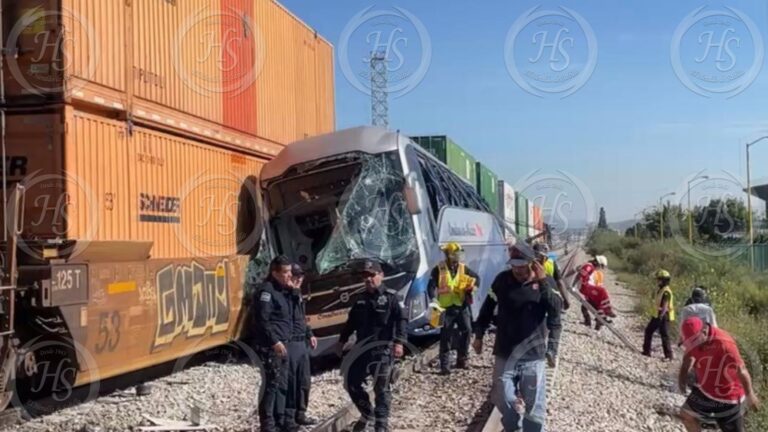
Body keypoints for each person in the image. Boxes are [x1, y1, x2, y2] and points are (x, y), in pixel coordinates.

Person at [473, 244, 562, 432]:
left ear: (533, 264)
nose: (517, 270)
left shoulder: (546, 283)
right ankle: (513, 426)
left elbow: (556, 312)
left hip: (533, 355)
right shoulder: (501, 281)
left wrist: (544, 282)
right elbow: (487, 308)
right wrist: (479, 334)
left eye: (522, 266)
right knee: (501, 396)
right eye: (514, 266)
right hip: (505, 352)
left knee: (534, 406)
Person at [336, 259, 407, 432]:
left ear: (381, 276)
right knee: (351, 383)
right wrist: (341, 340)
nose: (368, 279)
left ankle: (381, 425)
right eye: (365, 276)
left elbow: (402, 320)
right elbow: (350, 323)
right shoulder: (360, 300)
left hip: (382, 350)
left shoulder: (391, 297)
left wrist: (399, 342)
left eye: (372, 275)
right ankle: (368, 414)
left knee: (381, 389)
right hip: (362, 351)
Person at [678, 317, 761, 432]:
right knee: (686, 414)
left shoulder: (724, 343)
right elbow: (688, 357)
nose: (692, 346)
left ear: (704, 332)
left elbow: (741, 370)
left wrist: (750, 395)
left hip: (728, 397)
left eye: (694, 342)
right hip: (705, 390)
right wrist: (681, 379)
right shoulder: (693, 339)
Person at [253, 256, 296, 432]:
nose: (289, 276)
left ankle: (281, 420)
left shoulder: (283, 291)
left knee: (282, 384)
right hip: (271, 347)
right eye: (285, 272)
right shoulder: (267, 291)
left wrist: (294, 293)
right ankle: (268, 425)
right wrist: (275, 341)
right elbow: (263, 320)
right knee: (271, 385)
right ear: (275, 273)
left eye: (290, 272)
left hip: (284, 344)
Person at [427, 242, 478, 375]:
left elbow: (476, 278)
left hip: (462, 305)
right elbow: (431, 286)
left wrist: (472, 288)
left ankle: (462, 359)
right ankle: (445, 366)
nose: (459, 256)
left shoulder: (463, 268)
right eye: (457, 254)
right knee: (446, 336)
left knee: (467, 330)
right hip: (446, 308)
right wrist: (433, 300)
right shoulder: (439, 269)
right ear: (449, 255)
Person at [285, 264, 318, 429]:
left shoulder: (298, 296)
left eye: (300, 277)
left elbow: (301, 318)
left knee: (304, 380)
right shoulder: (286, 294)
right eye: (295, 276)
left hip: (301, 341)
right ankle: (289, 417)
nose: (298, 280)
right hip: (289, 341)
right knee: (291, 381)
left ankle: (301, 413)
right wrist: (293, 290)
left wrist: (309, 333)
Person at [643, 269, 675, 361]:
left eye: (659, 279)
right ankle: (647, 351)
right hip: (658, 315)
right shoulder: (662, 290)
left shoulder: (666, 291)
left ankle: (668, 356)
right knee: (651, 332)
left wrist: (661, 316)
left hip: (663, 316)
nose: (657, 281)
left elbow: (665, 305)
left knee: (663, 335)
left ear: (664, 280)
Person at [578, 255, 614, 329]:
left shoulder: (591, 267)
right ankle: (607, 310)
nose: (600, 268)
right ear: (597, 263)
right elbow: (583, 274)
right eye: (601, 266)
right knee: (602, 291)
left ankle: (600, 319)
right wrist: (585, 283)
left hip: (586, 286)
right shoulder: (589, 266)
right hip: (585, 286)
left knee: (598, 300)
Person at [533, 243, 570, 310]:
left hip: (536, 295)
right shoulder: (551, 262)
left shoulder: (529, 263)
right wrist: (566, 299)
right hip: (550, 294)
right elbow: (560, 282)